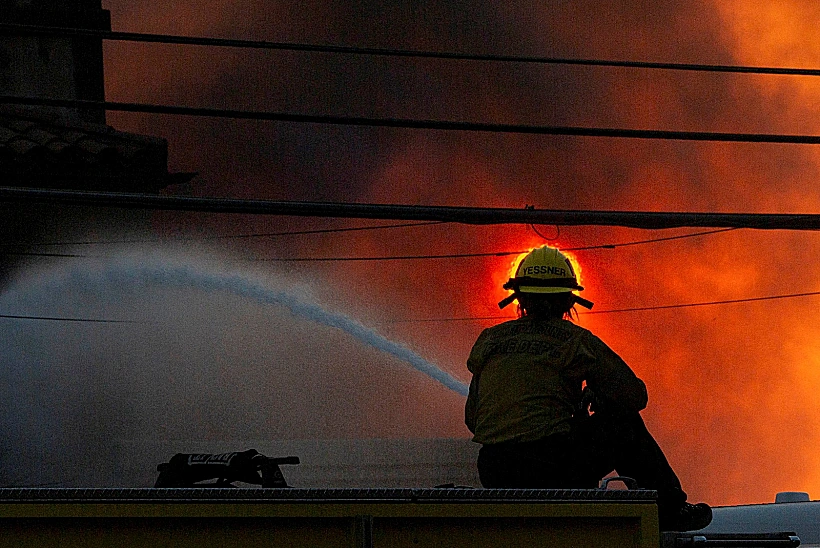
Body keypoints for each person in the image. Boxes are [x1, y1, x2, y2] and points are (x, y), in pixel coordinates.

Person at [465, 245, 712, 532]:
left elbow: (473, 420)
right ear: (569, 298)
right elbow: (634, 396)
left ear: (518, 296)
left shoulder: (489, 341)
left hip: (495, 471)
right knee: (624, 422)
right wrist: (600, 394)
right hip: (551, 469)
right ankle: (671, 509)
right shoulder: (576, 341)